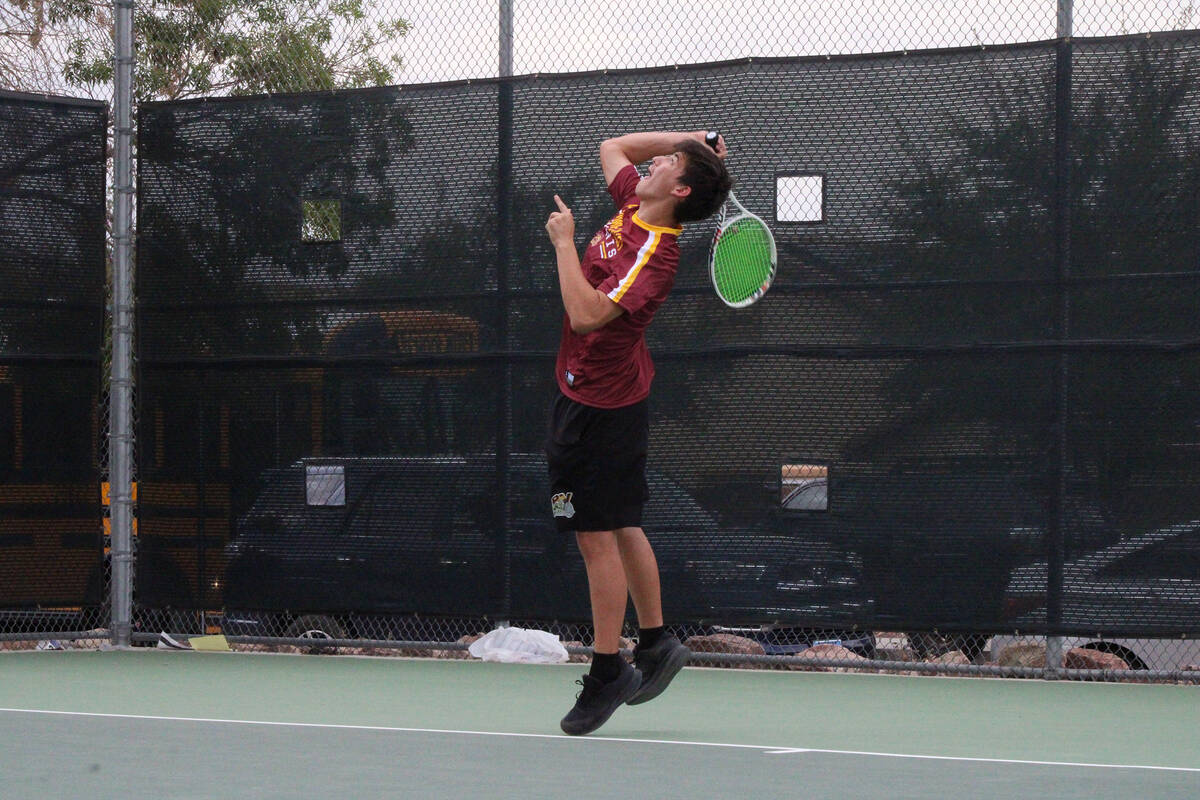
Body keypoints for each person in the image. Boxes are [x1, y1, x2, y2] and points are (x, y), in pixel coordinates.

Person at [544, 130, 732, 736]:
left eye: (669, 163)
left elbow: (586, 313)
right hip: (607, 393)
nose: (651, 162)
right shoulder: (635, 201)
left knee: (593, 536)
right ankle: (653, 641)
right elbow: (610, 147)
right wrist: (688, 138)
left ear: (678, 190)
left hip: (598, 408)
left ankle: (607, 670)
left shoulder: (654, 254)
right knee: (623, 523)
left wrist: (564, 245)